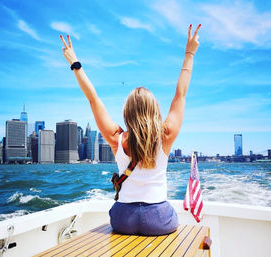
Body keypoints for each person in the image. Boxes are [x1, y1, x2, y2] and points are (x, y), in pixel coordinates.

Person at [60, 24, 201, 236]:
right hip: (158, 218)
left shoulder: (117, 138)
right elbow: (180, 94)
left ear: (127, 112)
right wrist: (189, 53)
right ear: (154, 110)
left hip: (122, 219)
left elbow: (93, 99)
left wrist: (75, 63)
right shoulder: (166, 135)